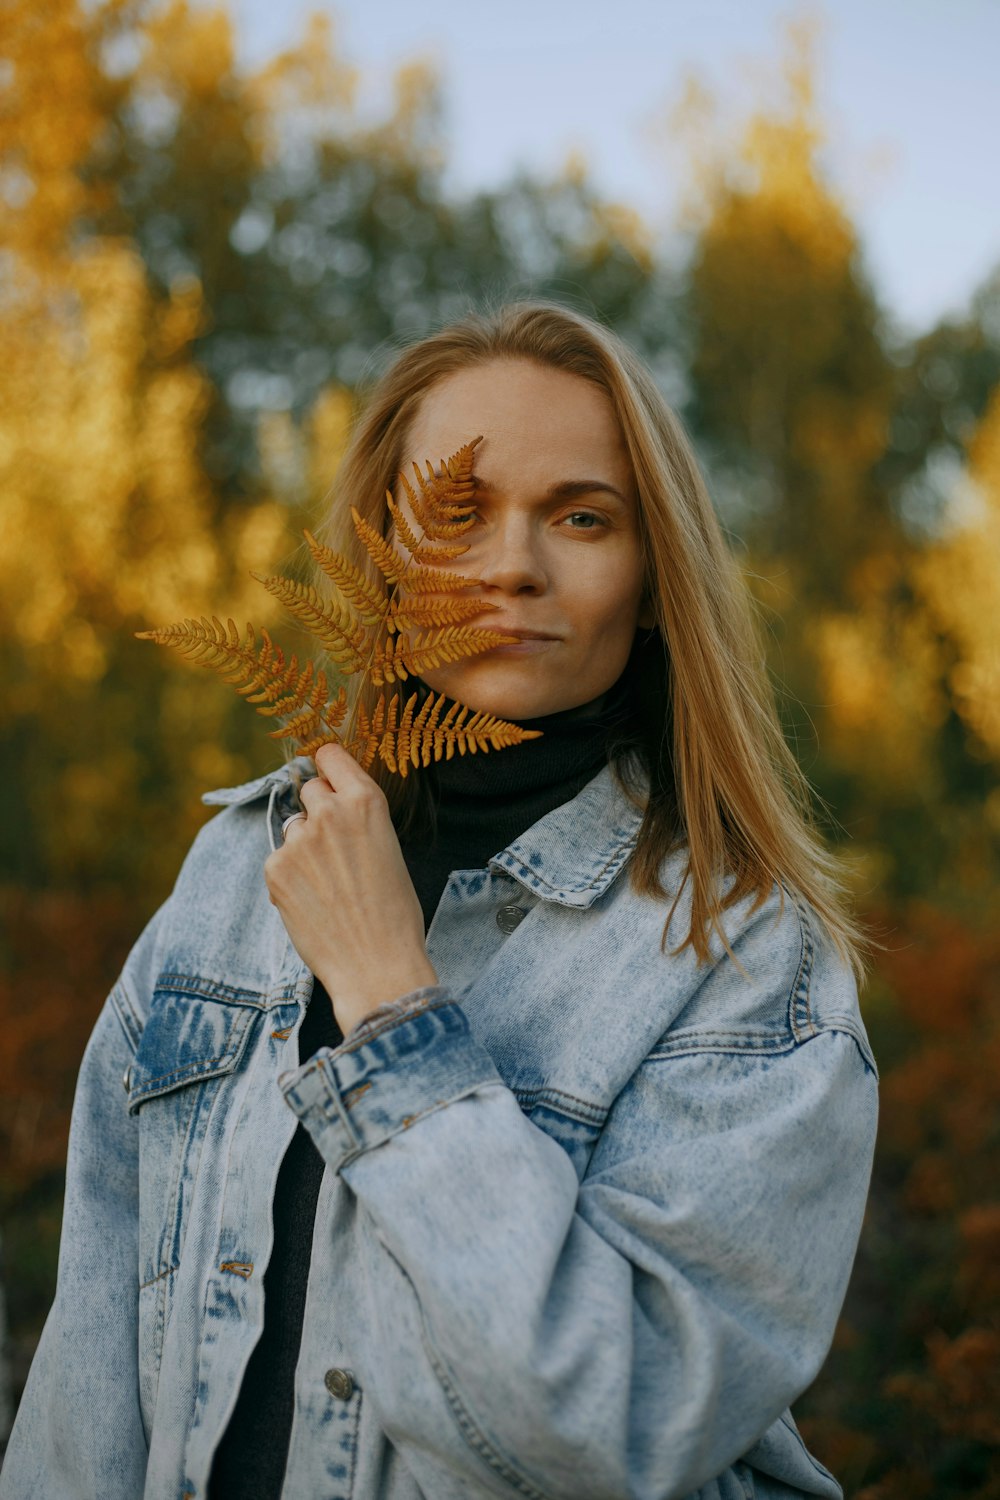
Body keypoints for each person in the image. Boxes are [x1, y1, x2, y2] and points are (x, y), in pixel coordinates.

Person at [1, 302, 879, 1500]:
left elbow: (606, 1430)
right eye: (456, 515)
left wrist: (389, 1006)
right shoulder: (234, 869)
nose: (512, 565)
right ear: (381, 555)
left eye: (582, 516)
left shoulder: (743, 957)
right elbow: (90, 1368)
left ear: (656, 578)